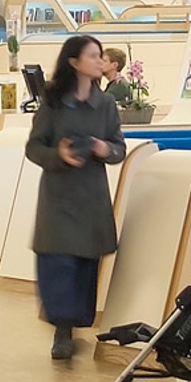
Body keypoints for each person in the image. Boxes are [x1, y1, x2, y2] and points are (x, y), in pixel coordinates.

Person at [23, 34, 130, 360]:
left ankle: (72, 326)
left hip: (91, 195)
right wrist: (60, 155)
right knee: (57, 262)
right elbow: (33, 147)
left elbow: (119, 148)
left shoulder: (107, 104)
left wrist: (103, 148)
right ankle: (62, 330)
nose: (100, 61)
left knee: (84, 264)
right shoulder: (52, 102)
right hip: (59, 196)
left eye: (101, 56)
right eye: (93, 56)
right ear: (74, 62)